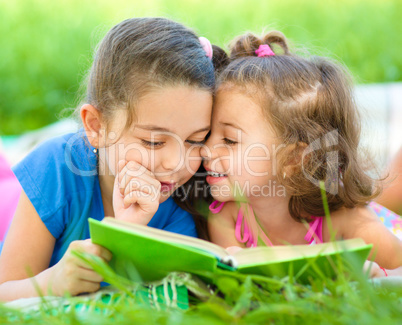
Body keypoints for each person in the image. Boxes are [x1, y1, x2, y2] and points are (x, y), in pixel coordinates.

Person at [0, 17, 222, 301]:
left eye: (195, 140)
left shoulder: (184, 197)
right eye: (153, 141)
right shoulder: (55, 168)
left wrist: (127, 230)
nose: (176, 163)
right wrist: (51, 283)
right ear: (95, 126)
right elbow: (5, 293)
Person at [201, 31, 402, 278]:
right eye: (208, 133)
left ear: (295, 159)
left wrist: (369, 276)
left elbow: (396, 265)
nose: (205, 149)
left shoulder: (343, 217)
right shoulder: (228, 215)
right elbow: (236, 286)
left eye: (229, 140)